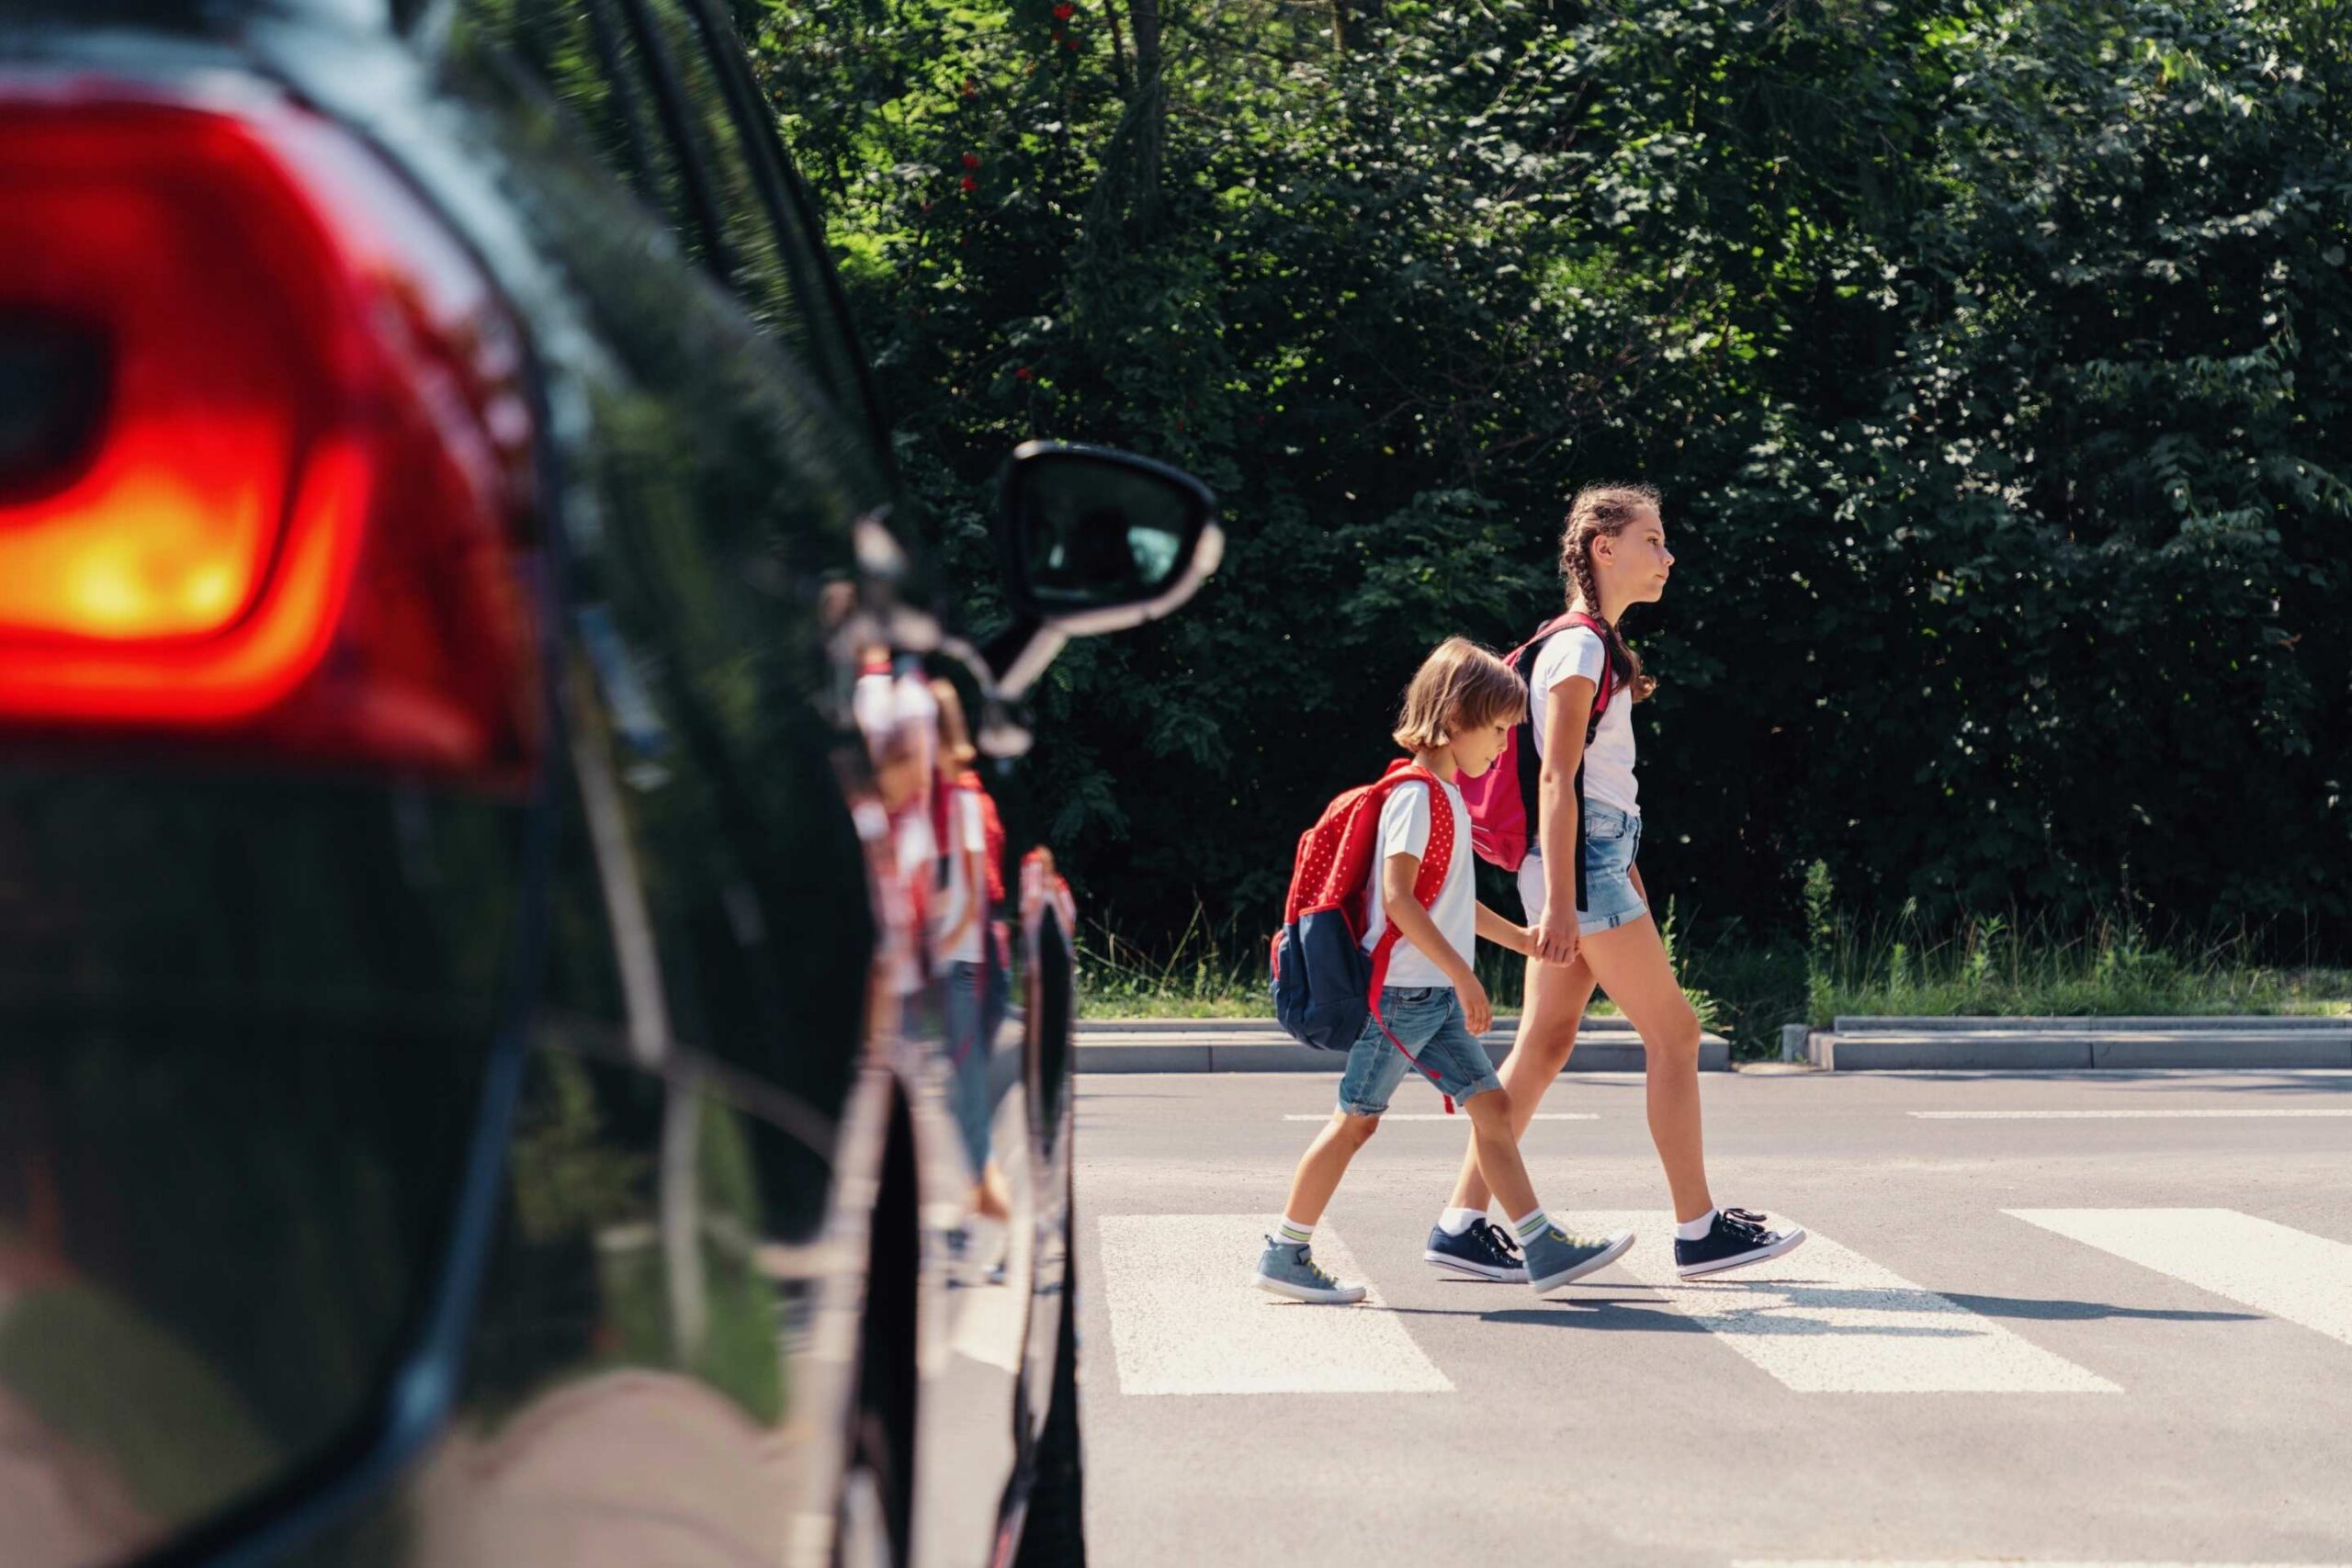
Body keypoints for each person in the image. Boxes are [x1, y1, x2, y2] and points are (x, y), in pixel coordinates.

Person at [1426, 484, 1805, 1283]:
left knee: (1546, 1041)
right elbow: (1557, 779)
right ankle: (1699, 1228)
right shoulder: (1581, 648)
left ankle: (1460, 1222)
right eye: (1653, 540)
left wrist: (1611, 872)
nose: (1667, 556)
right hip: (1579, 865)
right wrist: (1567, 899)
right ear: (1604, 547)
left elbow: (1594, 785)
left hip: (1592, 860)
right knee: (1675, 1036)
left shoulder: (1591, 646)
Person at [1254, 638, 1635, 1304]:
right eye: (1495, 731)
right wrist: (1465, 976)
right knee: (1356, 1122)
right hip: (1402, 997)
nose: (1500, 749)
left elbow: (1451, 902)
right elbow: (1400, 898)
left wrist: (1519, 938)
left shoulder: (1447, 797)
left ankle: (1540, 1243)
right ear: (1454, 717)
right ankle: (1286, 1250)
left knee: (1492, 1108)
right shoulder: (1414, 794)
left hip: (1424, 996)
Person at [930, 680, 1013, 1226]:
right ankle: (979, 1210)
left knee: (966, 1099)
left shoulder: (959, 801)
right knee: (962, 1096)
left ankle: (983, 1215)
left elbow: (969, 894)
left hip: (962, 964)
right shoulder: (955, 797)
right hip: (969, 961)